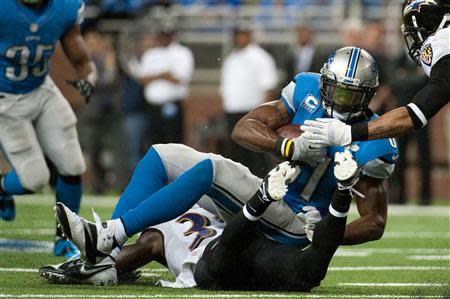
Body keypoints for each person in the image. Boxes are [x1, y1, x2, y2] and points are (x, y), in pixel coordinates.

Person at [42, 152, 358, 292]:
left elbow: (148, 247)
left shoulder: (165, 222)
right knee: (160, 157)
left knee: (305, 271)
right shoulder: (161, 223)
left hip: (227, 252)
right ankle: (105, 250)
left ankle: (104, 252)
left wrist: (261, 200)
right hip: (224, 249)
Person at [232, 46, 398, 245]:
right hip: (265, 195)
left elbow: (374, 221)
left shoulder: (375, 142)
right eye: (335, 90)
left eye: (350, 95)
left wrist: (324, 234)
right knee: (210, 171)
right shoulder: (306, 90)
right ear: (323, 82)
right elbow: (243, 129)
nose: (340, 102)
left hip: (303, 220)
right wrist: (287, 147)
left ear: (368, 96)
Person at [0, 0, 97, 258]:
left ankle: (64, 239)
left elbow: (79, 54)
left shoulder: (64, 7)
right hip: (5, 99)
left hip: (42, 90)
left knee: (74, 166)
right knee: (34, 180)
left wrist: (89, 76)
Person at [300, 0, 450, 146]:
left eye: (417, 34)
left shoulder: (442, 44)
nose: (416, 43)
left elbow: (413, 115)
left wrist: (349, 133)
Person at [220, 25, 278, 177]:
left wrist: (264, 115)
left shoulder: (261, 57)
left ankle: (261, 188)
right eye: (237, 35)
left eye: (241, 34)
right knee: (236, 153)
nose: (238, 38)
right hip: (232, 110)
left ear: (249, 35)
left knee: (255, 152)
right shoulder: (231, 58)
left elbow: (269, 87)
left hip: (251, 112)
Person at [138, 22, 194, 145]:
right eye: (162, 35)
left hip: (172, 104)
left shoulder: (182, 53)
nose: (164, 38)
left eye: (167, 35)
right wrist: (162, 75)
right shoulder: (151, 54)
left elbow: (180, 79)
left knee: (173, 141)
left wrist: (155, 77)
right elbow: (142, 79)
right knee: (154, 142)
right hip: (153, 106)